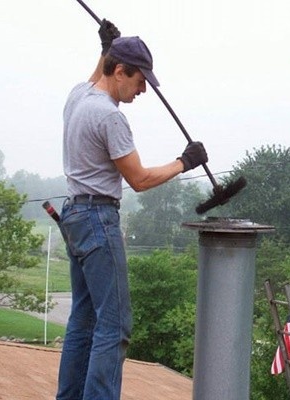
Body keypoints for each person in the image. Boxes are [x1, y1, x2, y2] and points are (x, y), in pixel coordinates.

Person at [56, 20, 208, 400]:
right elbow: (138, 179)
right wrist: (184, 162)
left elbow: (96, 74)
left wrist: (106, 46)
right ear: (120, 70)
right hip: (97, 220)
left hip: (74, 215)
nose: (143, 90)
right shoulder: (110, 117)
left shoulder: (79, 96)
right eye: (140, 81)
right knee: (116, 324)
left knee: (84, 319)